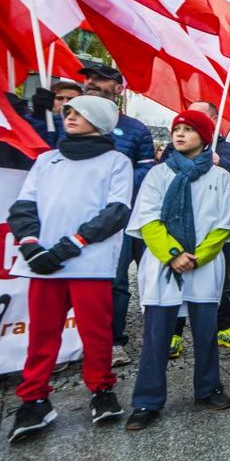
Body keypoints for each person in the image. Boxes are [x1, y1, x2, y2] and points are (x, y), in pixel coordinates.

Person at [5, 96, 133, 442]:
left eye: (80, 113)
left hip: (89, 263)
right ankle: (34, 397)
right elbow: (23, 205)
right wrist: (30, 244)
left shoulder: (116, 161)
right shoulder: (48, 160)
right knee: (43, 333)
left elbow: (117, 211)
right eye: (69, 112)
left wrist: (71, 244)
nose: (71, 117)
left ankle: (102, 389)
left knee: (96, 333)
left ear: (101, 119)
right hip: (44, 263)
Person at [124, 110, 230, 431]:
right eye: (177, 128)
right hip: (164, 266)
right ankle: (147, 399)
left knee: (205, 334)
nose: (179, 134)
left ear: (204, 137)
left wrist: (198, 256)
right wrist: (173, 254)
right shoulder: (158, 175)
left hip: (203, 268)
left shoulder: (220, 177)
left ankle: (208, 388)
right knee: (156, 336)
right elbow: (148, 220)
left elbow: (224, 226)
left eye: (188, 129)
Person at [62, 66, 157, 368]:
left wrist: (116, 176)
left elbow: (146, 169)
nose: (91, 83)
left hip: (121, 219)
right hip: (75, 215)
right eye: (88, 79)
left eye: (100, 79)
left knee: (115, 281)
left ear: (117, 88)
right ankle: (68, 339)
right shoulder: (68, 122)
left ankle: (114, 341)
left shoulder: (134, 129)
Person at [164, 101, 230, 357]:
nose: (186, 125)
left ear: (213, 119)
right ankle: (174, 332)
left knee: (221, 278)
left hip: (217, 229)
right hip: (181, 227)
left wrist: (221, 161)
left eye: (197, 118)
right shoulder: (173, 150)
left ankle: (222, 326)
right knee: (177, 278)